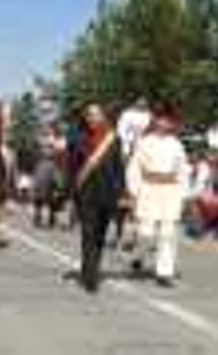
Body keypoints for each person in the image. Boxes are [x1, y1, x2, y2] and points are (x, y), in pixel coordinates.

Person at [126, 108, 189, 287]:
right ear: (155, 122)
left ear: (171, 124)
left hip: (170, 190)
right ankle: (139, 255)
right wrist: (134, 191)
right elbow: (134, 168)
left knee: (168, 233)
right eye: (160, 120)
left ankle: (164, 272)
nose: (163, 124)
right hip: (149, 189)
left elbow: (183, 170)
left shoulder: (177, 144)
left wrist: (183, 194)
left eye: (167, 121)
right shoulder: (144, 142)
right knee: (146, 231)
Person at [70, 103, 124, 294]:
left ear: (103, 117)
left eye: (96, 115)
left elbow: (119, 168)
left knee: (100, 235)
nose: (92, 118)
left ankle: (92, 268)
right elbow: (73, 167)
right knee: (88, 233)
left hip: (107, 193)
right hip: (87, 192)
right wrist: (72, 191)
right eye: (89, 115)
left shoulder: (114, 139)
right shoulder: (79, 138)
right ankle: (90, 277)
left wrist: (122, 193)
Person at [116, 97, 152, 162]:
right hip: (129, 142)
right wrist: (127, 141)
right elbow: (121, 129)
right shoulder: (127, 114)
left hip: (145, 143)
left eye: (144, 101)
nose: (142, 102)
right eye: (140, 101)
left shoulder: (149, 114)